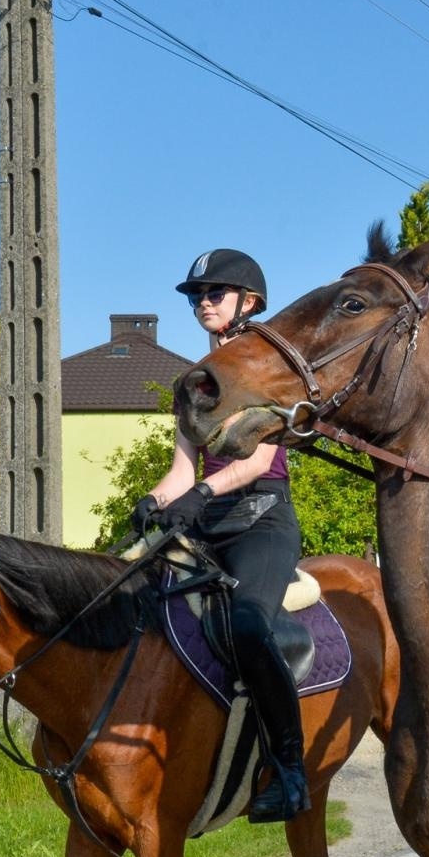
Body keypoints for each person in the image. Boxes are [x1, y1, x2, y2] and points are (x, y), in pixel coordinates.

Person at [131, 249, 310, 823]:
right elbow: (183, 470)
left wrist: (202, 495)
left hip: (261, 520)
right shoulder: (193, 382)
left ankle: (288, 768)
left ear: (249, 302)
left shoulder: (265, 370)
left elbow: (258, 462)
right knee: (128, 597)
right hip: (208, 521)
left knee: (249, 624)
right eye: (195, 295)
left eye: (214, 292)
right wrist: (154, 501)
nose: (202, 302)